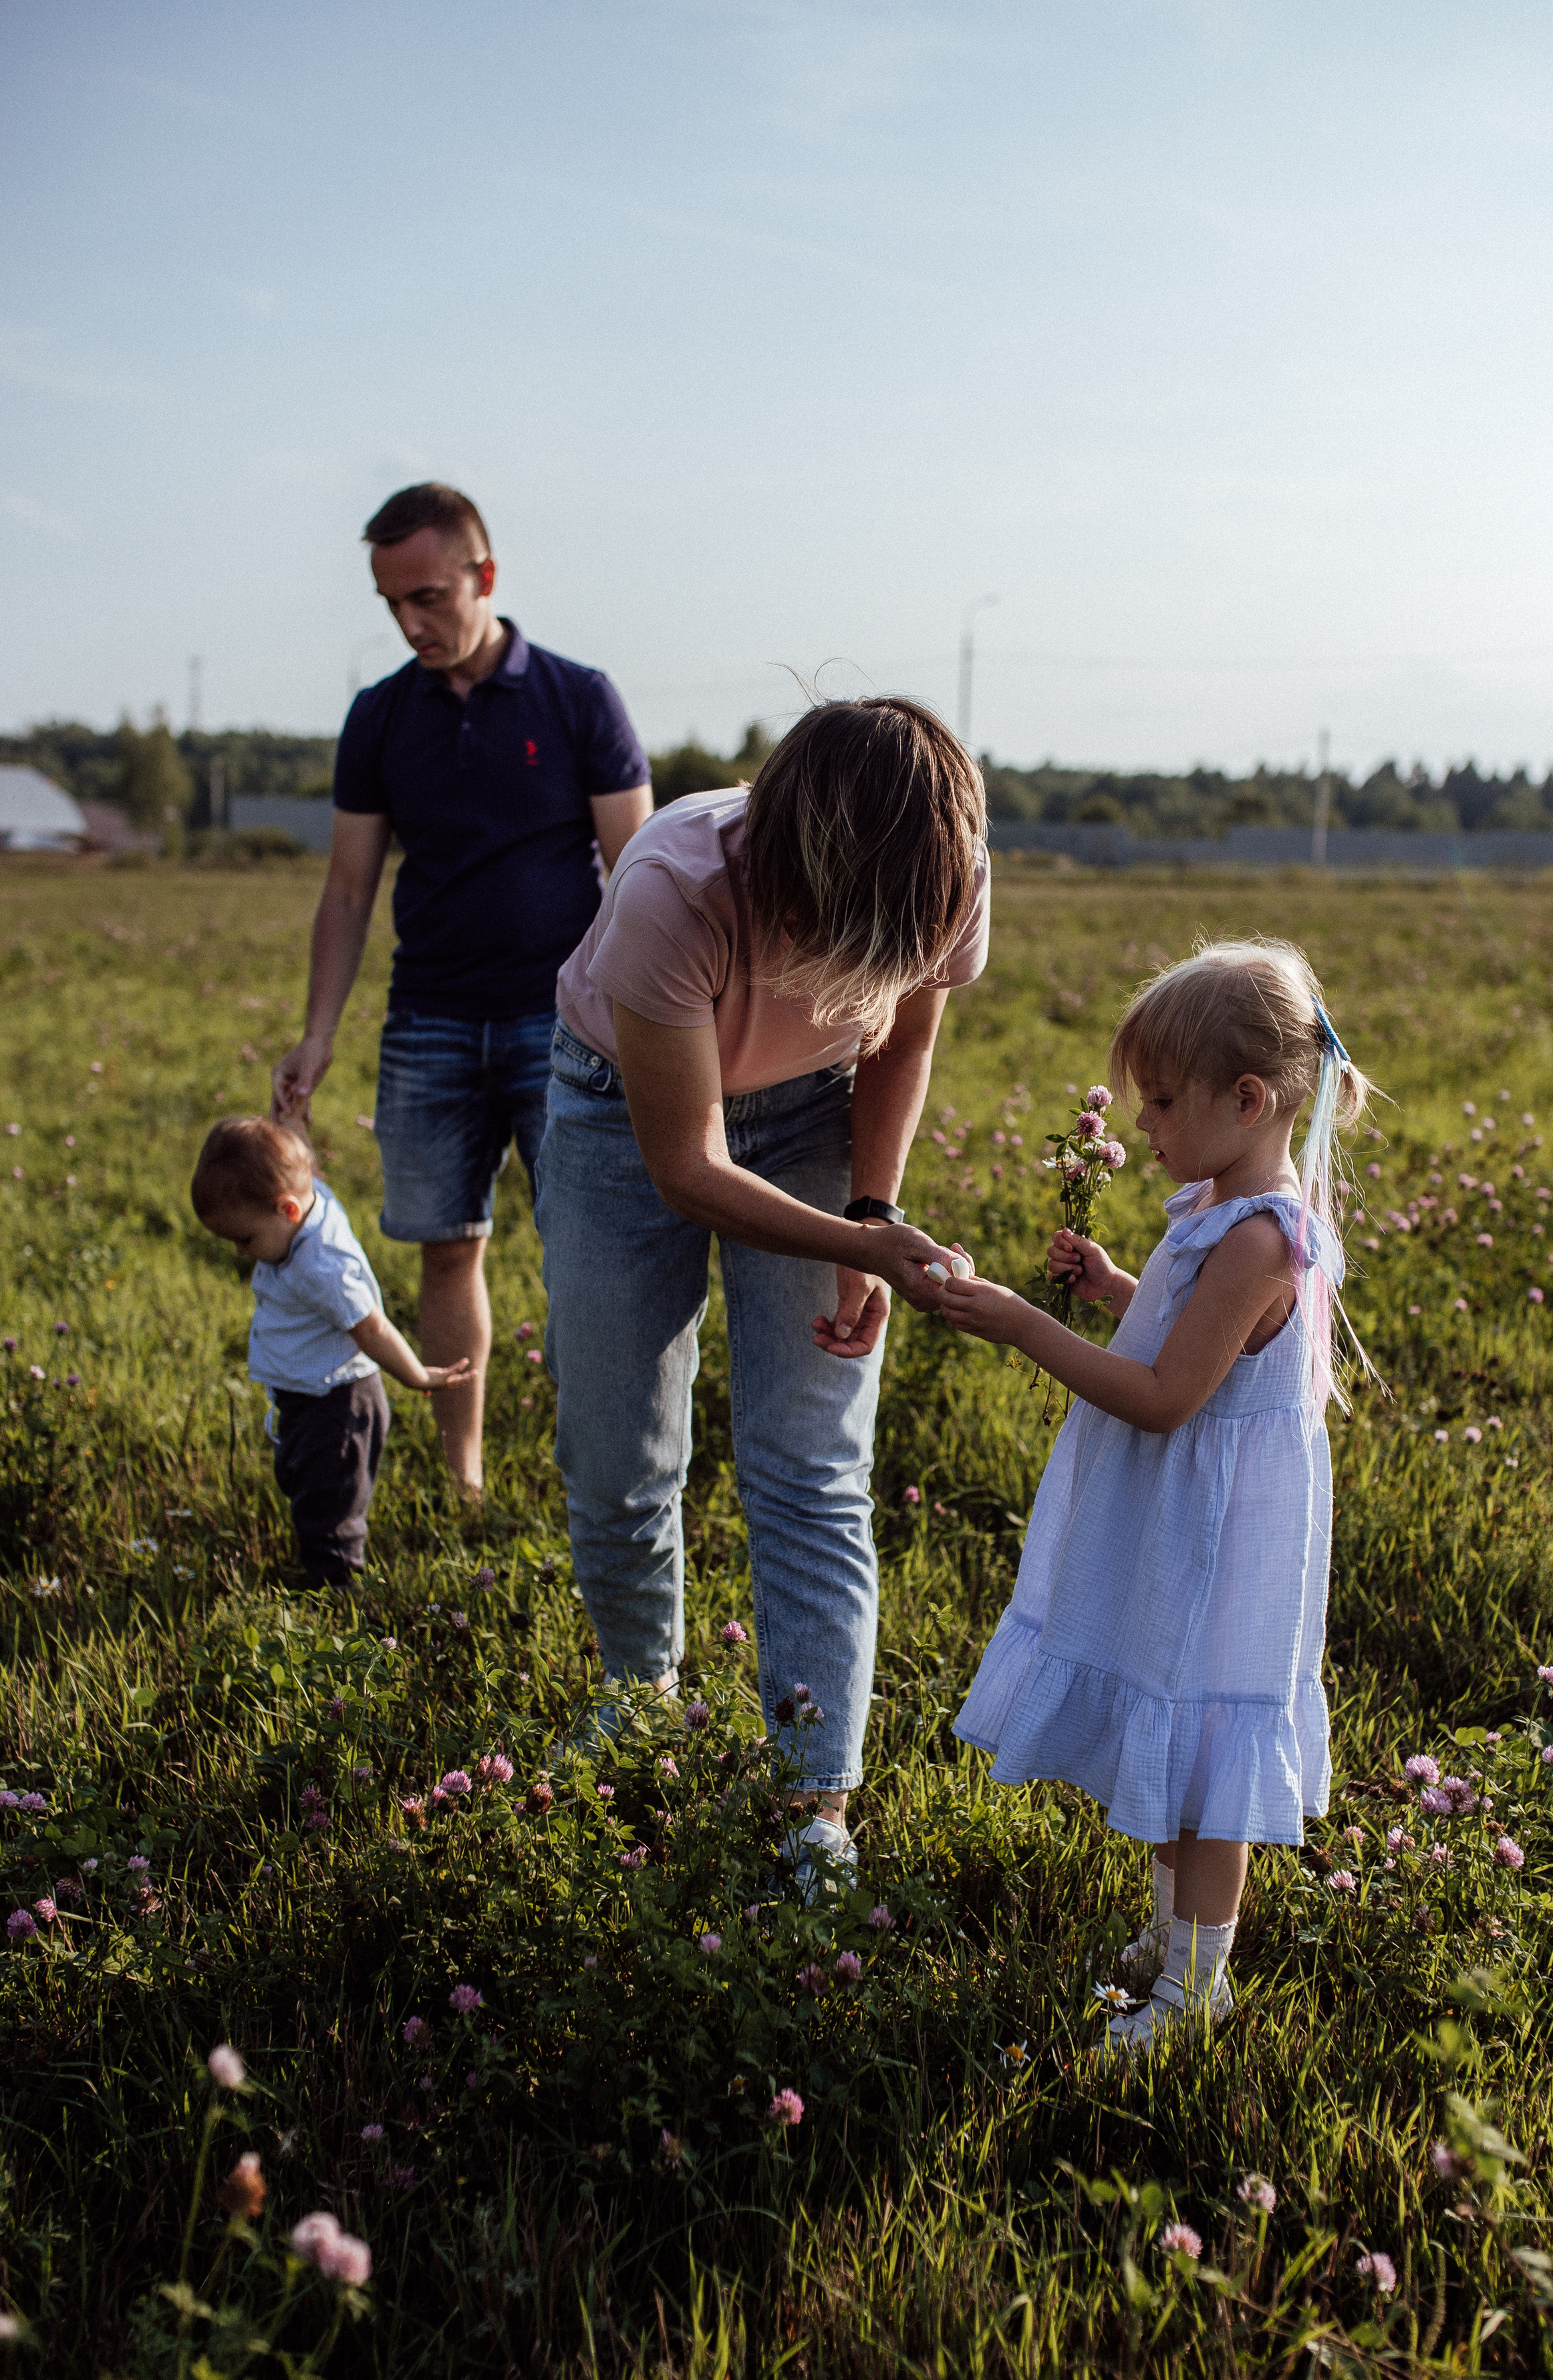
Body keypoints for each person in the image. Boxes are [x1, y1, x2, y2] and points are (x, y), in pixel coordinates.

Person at [536, 698, 989, 1894]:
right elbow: (686, 1167)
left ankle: (815, 1799)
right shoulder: (674, 887)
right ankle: (641, 1703)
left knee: (811, 1458)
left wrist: (871, 1217)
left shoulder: (945, 869)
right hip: (618, 1111)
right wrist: (865, 1239)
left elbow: (903, 1040)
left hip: (811, 1120)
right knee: (616, 1444)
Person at [941, 938, 1372, 2049]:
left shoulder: (1262, 1238)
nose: (1145, 1126)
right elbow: (1201, 1341)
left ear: (1248, 1098)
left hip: (1223, 1539)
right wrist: (1118, 1286)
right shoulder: (1222, 1207)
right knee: (1176, 1740)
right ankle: (1172, 1942)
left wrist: (1028, 1324)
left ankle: (1196, 1992)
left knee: (1207, 1757)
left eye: (1165, 1101)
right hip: (1189, 1522)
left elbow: (1169, 1395)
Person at [271, 482, 652, 1498]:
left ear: (485, 578)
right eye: (393, 605)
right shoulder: (380, 716)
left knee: (588, 1255)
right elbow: (349, 888)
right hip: (428, 1021)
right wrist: (318, 1033)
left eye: (430, 597)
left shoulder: (580, 699)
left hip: (563, 1025)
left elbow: (641, 877)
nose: (412, 623)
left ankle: (602, 1478)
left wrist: (633, 1025)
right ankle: (462, 1479)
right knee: (449, 1252)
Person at [190, 1116, 472, 1586]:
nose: (241, 1253)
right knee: (307, 1487)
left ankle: (335, 1595)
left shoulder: (322, 1267)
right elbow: (297, 1165)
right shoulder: (312, 1199)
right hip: (309, 1394)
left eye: (245, 1239)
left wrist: (417, 1377)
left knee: (331, 1506)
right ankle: (322, 1568)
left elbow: (373, 1327)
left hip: (338, 1405)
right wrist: (289, 1118)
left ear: (288, 1211)